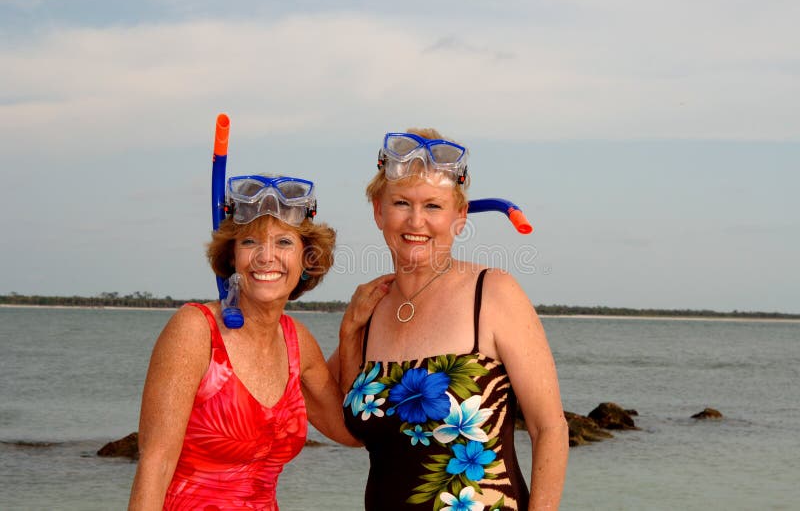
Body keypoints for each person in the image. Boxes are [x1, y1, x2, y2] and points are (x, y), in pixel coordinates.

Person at [331, 130, 569, 510]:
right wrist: (348, 333)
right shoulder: (370, 309)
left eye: (433, 206)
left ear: (459, 217)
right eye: (401, 203)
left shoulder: (493, 294)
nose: (416, 220)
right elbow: (349, 424)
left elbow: (550, 429)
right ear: (379, 210)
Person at [129, 174, 360, 510]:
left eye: (283, 243)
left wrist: (350, 331)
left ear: (306, 259)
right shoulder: (195, 331)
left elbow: (350, 431)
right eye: (250, 242)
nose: (266, 257)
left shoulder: (297, 342)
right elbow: (155, 465)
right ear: (232, 257)